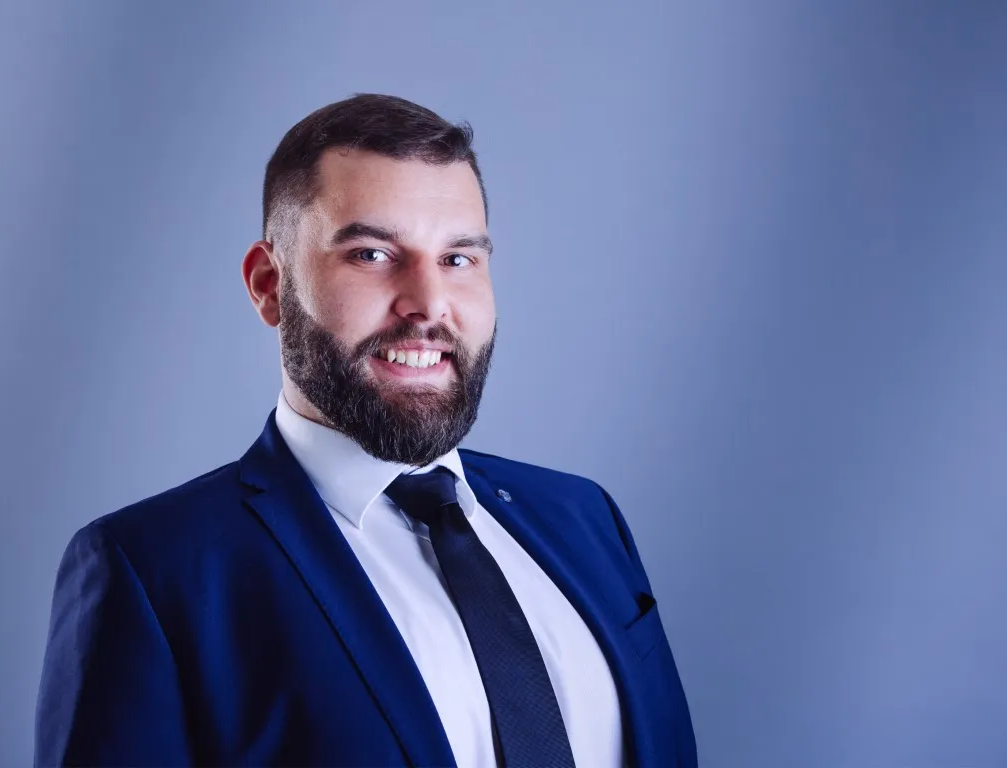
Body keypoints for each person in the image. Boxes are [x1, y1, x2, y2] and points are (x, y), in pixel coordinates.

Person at [34, 93, 696, 767]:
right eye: (373, 254)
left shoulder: (583, 517)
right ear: (269, 284)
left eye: (458, 259)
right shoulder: (157, 571)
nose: (428, 304)